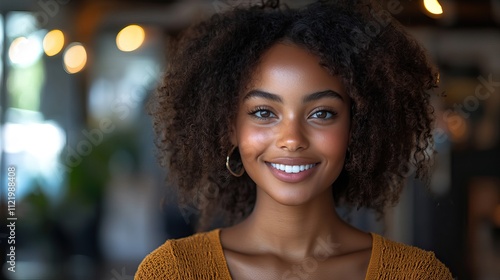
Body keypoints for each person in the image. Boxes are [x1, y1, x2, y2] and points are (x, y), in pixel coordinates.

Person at [135, 0, 453, 279]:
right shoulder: (175, 271)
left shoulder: (415, 274)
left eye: (322, 113)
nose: (292, 139)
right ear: (229, 127)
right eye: (263, 112)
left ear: (357, 127)